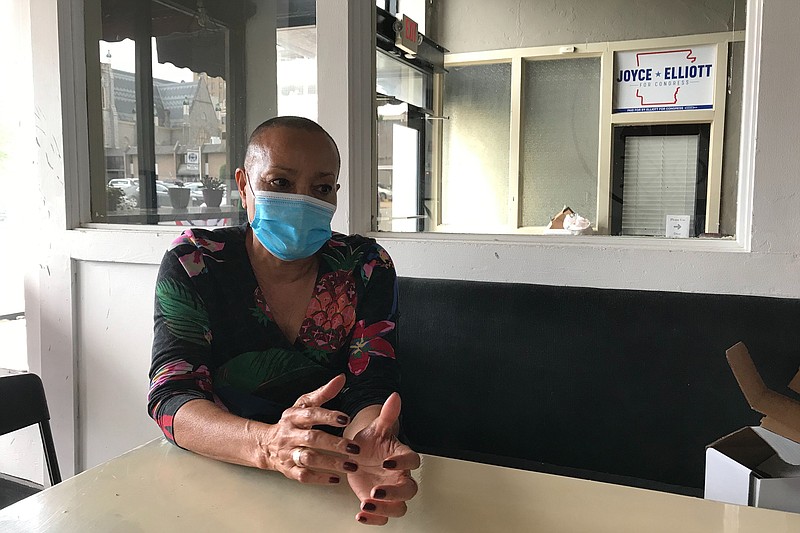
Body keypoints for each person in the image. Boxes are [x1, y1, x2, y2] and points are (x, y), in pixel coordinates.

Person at [147, 116, 419, 526]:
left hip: (331, 481)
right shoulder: (196, 263)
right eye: (280, 182)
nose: (303, 200)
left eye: (321, 188)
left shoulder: (365, 266)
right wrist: (265, 445)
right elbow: (172, 397)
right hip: (216, 475)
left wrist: (365, 441)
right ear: (244, 185)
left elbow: (371, 383)